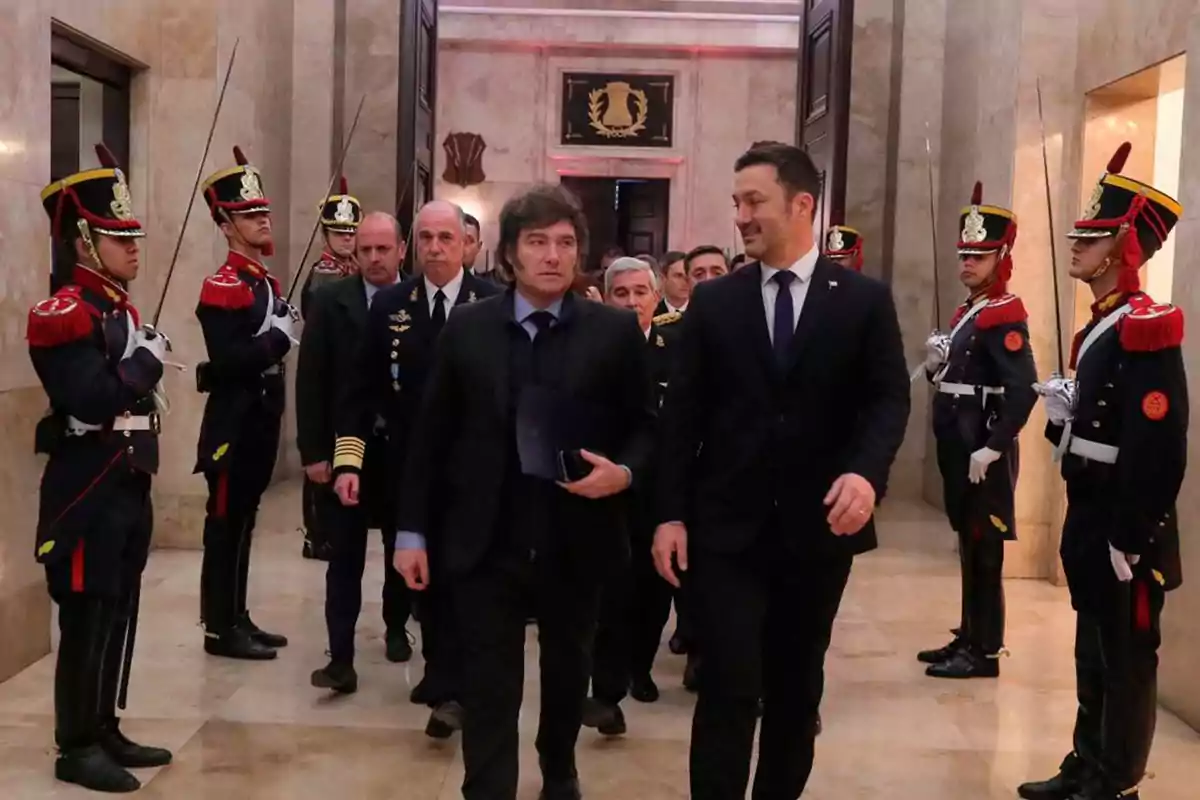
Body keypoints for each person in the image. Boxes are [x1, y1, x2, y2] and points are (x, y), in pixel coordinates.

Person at [653, 142, 910, 800]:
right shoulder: (715, 304)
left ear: (802, 204)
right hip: (727, 532)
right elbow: (682, 417)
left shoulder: (861, 301)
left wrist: (865, 473)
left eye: (754, 201)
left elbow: (887, 398)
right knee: (728, 687)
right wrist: (670, 513)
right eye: (737, 201)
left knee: (797, 690)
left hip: (818, 530)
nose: (740, 215)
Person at [393, 185, 656, 800]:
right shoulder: (467, 328)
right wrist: (412, 530)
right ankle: (488, 788)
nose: (552, 256)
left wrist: (625, 472)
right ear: (509, 253)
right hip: (487, 538)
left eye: (565, 243)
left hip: (576, 538)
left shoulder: (613, 332)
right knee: (491, 685)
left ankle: (559, 773)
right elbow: (430, 437)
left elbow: (646, 426)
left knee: (567, 674)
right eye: (537, 242)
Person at [1019, 142, 1187, 800]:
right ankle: (1087, 761)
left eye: (1089, 240)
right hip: (1089, 515)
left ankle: (1118, 780)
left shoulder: (1149, 326)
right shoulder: (1101, 327)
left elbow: (1160, 445)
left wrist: (1131, 534)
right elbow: (1094, 432)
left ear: (1123, 247)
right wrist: (1062, 417)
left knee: (1127, 660)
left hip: (1125, 527)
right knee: (1092, 651)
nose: (1074, 248)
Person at [29, 144, 173, 792]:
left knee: (119, 609)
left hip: (124, 483)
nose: (133, 247)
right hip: (85, 492)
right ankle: (75, 743)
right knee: (86, 615)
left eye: (133, 235)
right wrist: (142, 366)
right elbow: (91, 398)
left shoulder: (119, 312)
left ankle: (105, 721)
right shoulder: (63, 314)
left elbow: (129, 408)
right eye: (119, 237)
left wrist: (144, 439)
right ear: (85, 241)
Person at [334, 202, 500, 736]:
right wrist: (348, 460)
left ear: (465, 243)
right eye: (425, 237)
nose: (434, 247)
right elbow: (360, 389)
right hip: (412, 467)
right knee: (422, 580)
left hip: (478, 471)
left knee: (469, 580)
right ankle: (441, 673)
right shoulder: (391, 305)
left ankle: (458, 687)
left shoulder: (493, 302)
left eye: (445, 237)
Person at [917, 181, 1037, 679]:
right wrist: (933, 367)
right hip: (957, 439)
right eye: (965, 254)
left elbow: (1024, 387)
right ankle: (968, 634)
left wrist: (994, 446)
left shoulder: (1003, 314)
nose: (967, 264)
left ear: (1000, 258)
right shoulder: (971, 312)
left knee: (985, 549)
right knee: (967, 544)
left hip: (979, 442)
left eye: (979, 256)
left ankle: (985, 650)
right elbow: (958, 378)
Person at [297, 212, 415, 694]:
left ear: (401, 250)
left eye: (382, 249)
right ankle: (340, 656)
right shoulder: (331, 301)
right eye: (364, 249)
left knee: (398, 548)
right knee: (343, 555)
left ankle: (394, 625)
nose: (372, 258)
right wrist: (313, 451)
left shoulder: (417, 301)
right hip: (347, 447)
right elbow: (311, 380)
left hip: (400, 451)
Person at [194, 145, 295, 660]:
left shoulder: (262, 283)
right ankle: (218, 627)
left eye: (263, 212)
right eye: (251, 215)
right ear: (227, 224)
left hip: (259, 420)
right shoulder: (225, 285)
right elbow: (229, 361)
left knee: (246, 521)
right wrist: (276, 340)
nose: (263, 220)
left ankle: (237, 613)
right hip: (233, 424)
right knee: (225, 523)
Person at [582, 257, 683, 737]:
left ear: (656, 295)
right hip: (607, 487)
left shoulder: (678, 345)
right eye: (620, 293)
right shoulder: (592, 345)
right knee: (609, 591)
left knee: (652, 591)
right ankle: (604, 692)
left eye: (640, 292)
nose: (631, 302)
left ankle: (637, 667)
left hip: (661, 489)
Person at [299, 176, 362, 562]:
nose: (346, 239)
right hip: (330, 374)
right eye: (339, 233)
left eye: (350, 232)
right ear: (325, 235)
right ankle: (315, 532)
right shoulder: (325, 275)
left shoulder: (352, 270)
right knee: (320, 456)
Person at [654, 250, 689, 315]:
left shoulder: (702, 313)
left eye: (688, 275)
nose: (686, 281)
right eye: (679, 276)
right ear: (663, 279)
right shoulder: (651, 313)